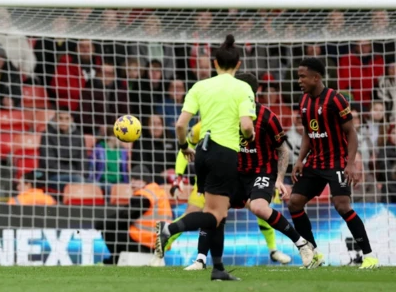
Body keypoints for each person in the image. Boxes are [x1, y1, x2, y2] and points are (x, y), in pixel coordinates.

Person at [176, 73, 314, 270]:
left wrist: (279, 178)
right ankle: (200, 260)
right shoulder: (224, 116)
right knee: (214, 210)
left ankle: (302, 244)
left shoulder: (267, 117)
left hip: (261, 172)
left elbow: (282, 149)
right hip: (234, 172)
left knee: (259, 207)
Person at [154, 35, 256, 281]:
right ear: (239, 65)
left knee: (217, 212)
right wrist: (250, 137)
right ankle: (169, 228)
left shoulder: (200, 86)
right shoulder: (243, 88)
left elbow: (180, 125)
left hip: (202, 153)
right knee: (215, 214)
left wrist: (183, 147)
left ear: (214, 63)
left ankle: (218, 268)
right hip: (225, 153)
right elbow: (246, 126)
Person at [289, 58, 378, 269]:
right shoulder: (303, 102)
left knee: (341, 205)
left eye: (302, 76)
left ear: (316, 77)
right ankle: (314, 254)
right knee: (294, 202)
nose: (299, 80)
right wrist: (300, 160)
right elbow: (308, 135)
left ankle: (370, 256)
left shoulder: (335, 99)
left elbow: (351, 132)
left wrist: (350, 163)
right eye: (298, 76)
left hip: (336, 162)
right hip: (315, 162)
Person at [96, 168, 171, 265]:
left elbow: (124, 217)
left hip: (146, 242)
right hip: (159, 243)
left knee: (108, 228)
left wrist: (101, 223)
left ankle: (115, 260)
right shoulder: (158, 191)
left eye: (136, 179)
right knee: (117, 226)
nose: (132, 183)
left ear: (144, 181)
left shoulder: (145, 195)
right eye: (131, 180)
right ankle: (115, 259)